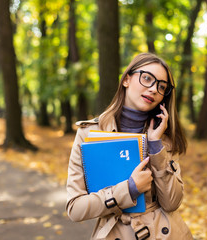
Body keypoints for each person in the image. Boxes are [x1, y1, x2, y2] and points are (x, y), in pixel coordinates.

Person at [66, 52, 193, 239]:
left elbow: (172, 203)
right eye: (147, 78)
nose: (153, 89)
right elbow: (75, 209)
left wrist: (155, 146)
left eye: (161, 87)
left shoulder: (164, 138)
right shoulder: (88, 134)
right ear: (126, 79)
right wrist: (129, 189)